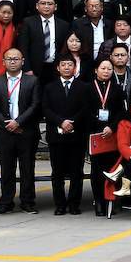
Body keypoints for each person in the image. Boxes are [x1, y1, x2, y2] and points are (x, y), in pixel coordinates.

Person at [0, 48, 41, 215]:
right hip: (4, 133)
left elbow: (35, 105)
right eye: (9, 59)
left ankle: (28, 202)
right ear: (3, 62)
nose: (12, 61)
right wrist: (6, 124)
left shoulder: (33, 81)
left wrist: (18, 122)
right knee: (6, 170)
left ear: (22, 61)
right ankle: (6, 202)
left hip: (26, 131)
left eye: (16, 59)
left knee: (27, 169)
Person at [42, 55, 93, 215]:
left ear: (75, 68)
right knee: (57, 173)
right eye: (63, 64)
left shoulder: (83, 87)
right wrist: (61, 122)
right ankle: (60, 205)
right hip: (56, 136)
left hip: (77, 135)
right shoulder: (49, 87)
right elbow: (45, 108)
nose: (66, 67)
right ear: (58, 68)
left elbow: (86, 108)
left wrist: (72, 123)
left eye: (70, 64)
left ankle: (74, 204)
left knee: (76, 172)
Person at [88, 59, 127, 217]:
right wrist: (98, 125)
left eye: (109, 69)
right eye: (103, 68)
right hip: (95, 134)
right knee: (96, 170)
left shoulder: (117, 89)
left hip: (112, 133)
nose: (106, 71)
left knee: (112, 169)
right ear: (96, 70)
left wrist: (111, 127)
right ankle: (98, 202)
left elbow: (122, 112)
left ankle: (111, 201)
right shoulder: (88, 88)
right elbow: (84, 110)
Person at [17, 0, 71, 84]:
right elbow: (23, 47)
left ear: (55, 7)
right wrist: (27, 68)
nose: (46, 6)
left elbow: (65, 48)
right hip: (34, 68)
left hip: (56, 68)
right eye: (43, 3)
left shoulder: (64, 25)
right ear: (37, 6)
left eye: (50, 4)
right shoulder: (28, 22)